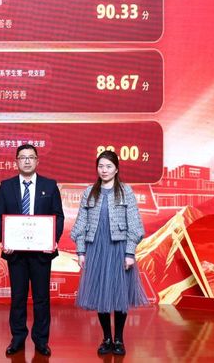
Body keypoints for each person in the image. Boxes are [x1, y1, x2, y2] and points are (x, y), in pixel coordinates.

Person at [70, 150, 149, 356]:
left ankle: (119, 339)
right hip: (96, 248)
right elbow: (81, 224)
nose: (104, 170)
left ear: (116, 169)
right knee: (100, 293)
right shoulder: (89, 192)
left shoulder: (126, 191)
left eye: (108, 166)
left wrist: (129, 253)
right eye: (101, 166)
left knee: (120, 293)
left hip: (119, 249)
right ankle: (106, 338)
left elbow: (135, 225)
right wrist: (81, 251)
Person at [0, 143, 64, 357]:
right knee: (18, 297)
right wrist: (5, 240)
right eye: (22, 157)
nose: (26, 161)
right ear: (16, 161)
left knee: (42, 298)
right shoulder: (6, 186)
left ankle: (41, 340)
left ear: (37, 161)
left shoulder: (49, 186)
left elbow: (58, 216)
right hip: (16, 253)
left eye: (31, 157)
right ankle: (17, 338)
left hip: (41, 253)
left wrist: (52, 240)